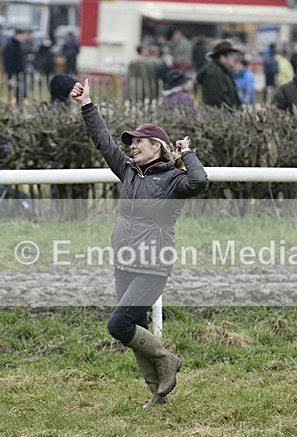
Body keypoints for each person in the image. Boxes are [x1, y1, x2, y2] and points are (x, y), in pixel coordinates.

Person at [70, 77, 208, 408]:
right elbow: (103, 142)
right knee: (137, 328)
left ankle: (168, 361)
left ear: (157, 147)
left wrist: (186, 152)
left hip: (152, 266)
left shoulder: (173, 180)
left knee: (119, 325)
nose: (132, 146)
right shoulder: (130, 171)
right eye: (131, 142)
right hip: (124, 261)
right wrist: (87, 105)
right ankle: (158, 396)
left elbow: (200, 181)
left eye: (139, 142)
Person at [196, 39, 241, 108]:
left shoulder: (223, 71)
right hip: (222, 116)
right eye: (231, 55)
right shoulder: (215, 73)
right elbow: (218, 100)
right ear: (222, 57)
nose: (234, 58)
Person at [3, 28, 31, 106]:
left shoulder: (17, 45)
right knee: (16, 93)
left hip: (20, 74)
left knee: (21, 94)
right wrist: (9, 76)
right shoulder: (11, 46)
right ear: (18, 35)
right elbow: (8, 62)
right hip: (15, 74)